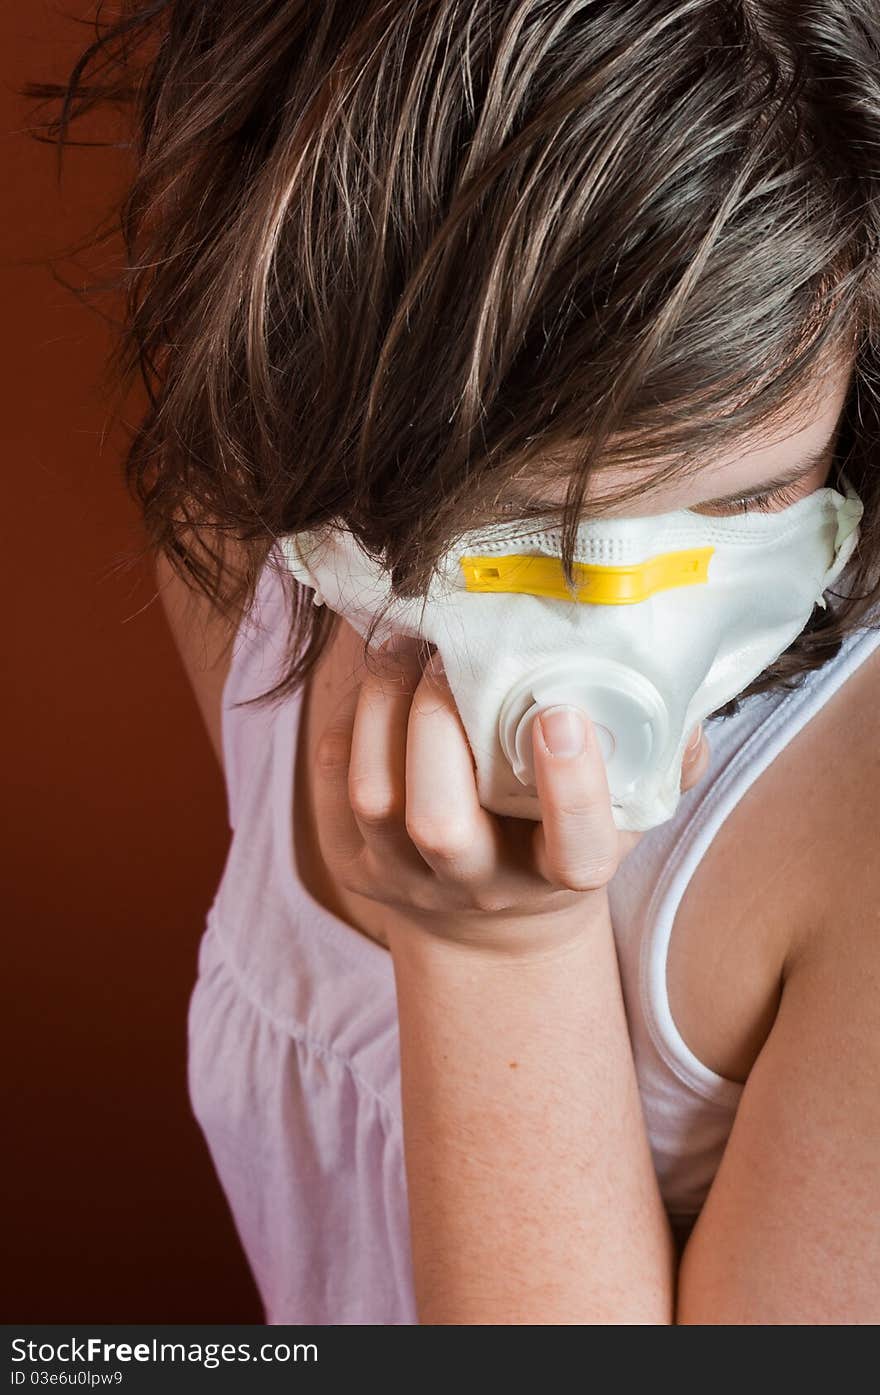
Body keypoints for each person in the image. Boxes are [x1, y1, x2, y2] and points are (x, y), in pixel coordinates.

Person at [38, 2, 880, 1322]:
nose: (635, 622)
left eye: (746, 508)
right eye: (534, 544)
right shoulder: (251, 568)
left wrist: (501, 959)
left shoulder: (856, 830)